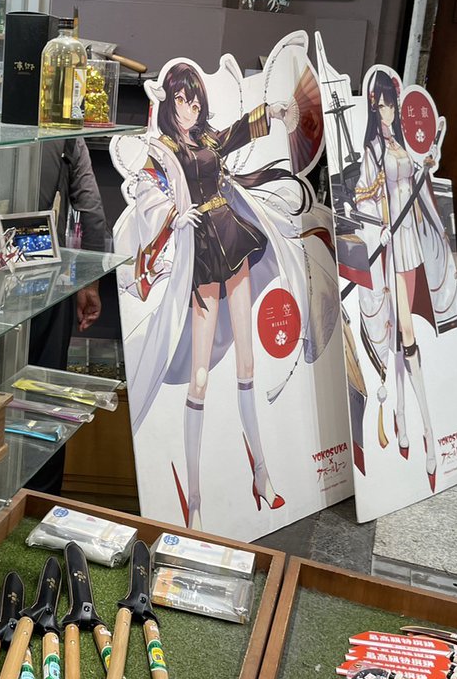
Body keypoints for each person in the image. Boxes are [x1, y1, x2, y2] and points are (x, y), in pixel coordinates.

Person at [111, 62, 333, 529]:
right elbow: (147, 194)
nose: (190, 108)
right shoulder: (162, 149)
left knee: (247, 363)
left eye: (195, 100)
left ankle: (261, 472)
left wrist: (272, 112)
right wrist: (173, 215)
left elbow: (237, 132)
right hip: (199, 255)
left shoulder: (208, 139)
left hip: (232, 239)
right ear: (169, 103)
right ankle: (193, 498)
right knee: (199, 378)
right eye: (181, 100)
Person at [351, 70, 457, 492]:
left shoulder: (401, 143)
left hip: (411, 239)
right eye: (378, 105)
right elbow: (362, 194)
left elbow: (418, 182)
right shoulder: (373, 149)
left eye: (389, 103)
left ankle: (405, 417)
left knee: (405, 331)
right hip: (389, 244)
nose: (385, 111)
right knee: (406, 332)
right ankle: (425, 430)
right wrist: (375, 223)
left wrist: (428, 161)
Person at [25, 138, 107, 495]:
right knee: (44, 399)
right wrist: (90, 283)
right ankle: (39, 501)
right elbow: (91, 209)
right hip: (46, 274)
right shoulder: (62, 123)